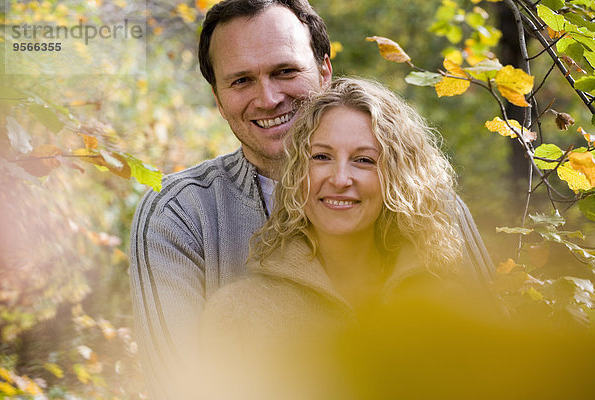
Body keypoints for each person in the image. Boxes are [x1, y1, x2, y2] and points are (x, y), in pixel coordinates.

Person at [199, 77, 495, 399]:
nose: (340, 179)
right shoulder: (238, 314)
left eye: (364, 160)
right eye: (321, 157)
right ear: (299, 171)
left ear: (396, 178)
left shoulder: (451, 304)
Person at [129, 0, 331, 398]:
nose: (269, 98)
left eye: (285, 71)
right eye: (241, 81)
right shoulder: (179, 216)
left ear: (325, 71)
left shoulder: (414, 193)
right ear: (218, 99)